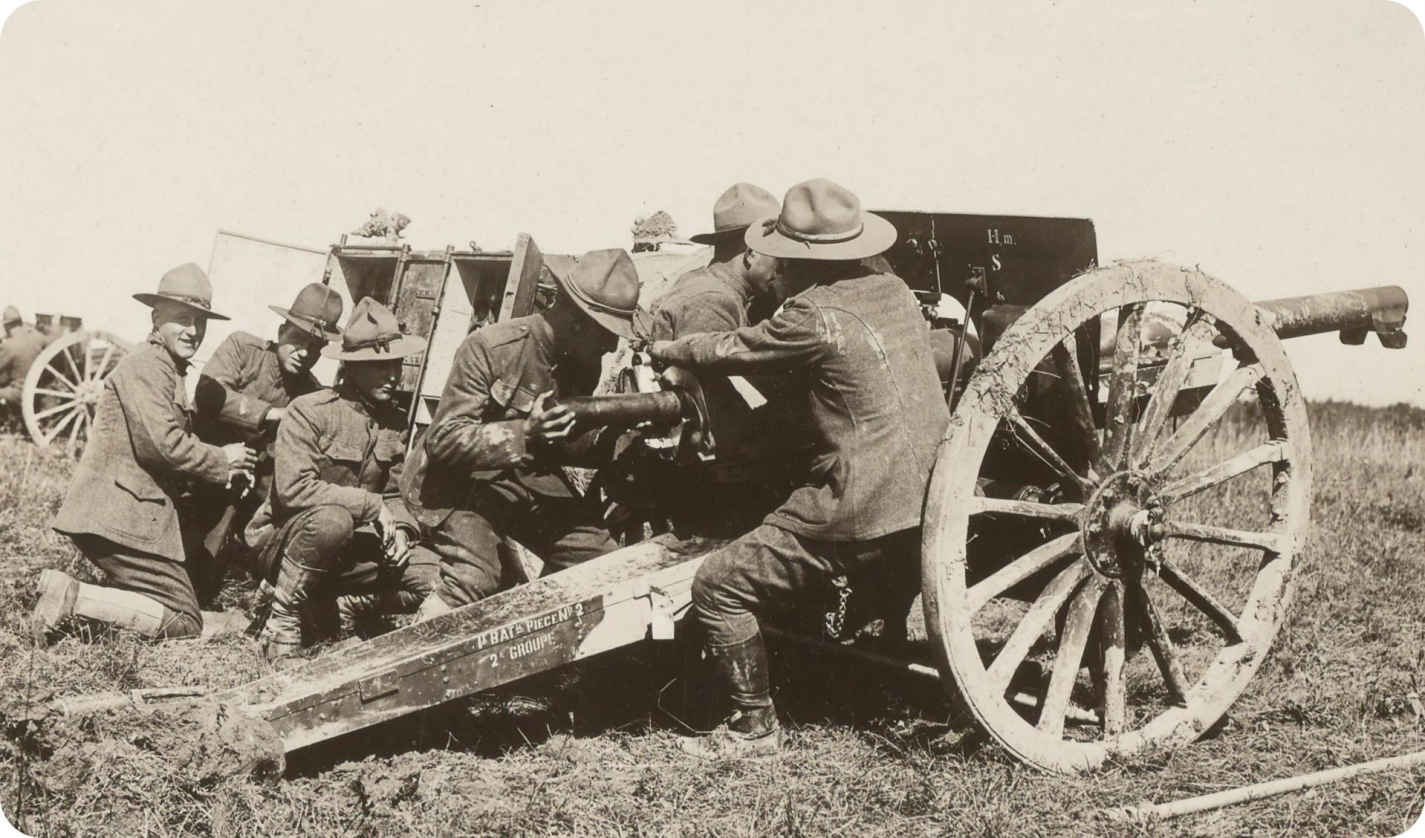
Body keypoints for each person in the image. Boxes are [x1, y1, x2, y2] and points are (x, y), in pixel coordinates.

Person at [648, 179, 951, 756]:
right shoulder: (894, 290)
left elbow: (728, 349)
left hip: (858, 505)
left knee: (719, 584)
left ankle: (753, 728)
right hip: (929, 492)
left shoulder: (812, 314)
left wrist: (668, 351)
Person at [401, 249, 641, 619]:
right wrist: (525, 432)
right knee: (474, 579)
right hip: (453, 486)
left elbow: (564, 442)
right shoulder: (490, 347)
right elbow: (444, 439)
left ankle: (539, 640)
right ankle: (410, 659)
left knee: (601, 561)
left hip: (524, 484)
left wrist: (614, 434)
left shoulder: (582, 361)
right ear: (579, 323)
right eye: (606, 334)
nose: (612, 346)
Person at [33, 264, 258, 642]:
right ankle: (73, 596)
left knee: (172, 604)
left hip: (126, 511)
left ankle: (97, 609)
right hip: (119, 515)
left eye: (200, 322)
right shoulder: (148, 365)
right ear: (157, 317)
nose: (193, 331)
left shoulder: (166, 367)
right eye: (182, 319)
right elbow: (163, 445)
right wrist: (225, 459)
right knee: (185, 620)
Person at [244, 297, 435, 660]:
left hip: (348, 553)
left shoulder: (393, 422)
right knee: (334, 519)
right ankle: (282, 617)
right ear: (353, 367)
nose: (392, 374)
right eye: (380, 366)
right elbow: (294, 489)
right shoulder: (310, 411)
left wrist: (403, 531)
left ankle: (341, 607)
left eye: (395, 364)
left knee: (432, 575)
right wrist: (370, 505)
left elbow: (395, 493)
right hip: (284, 546)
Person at [638, 182, 801, 536]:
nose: (783, 269)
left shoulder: (705, 283)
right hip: (710, 479)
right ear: (750, 252)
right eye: (778, 255)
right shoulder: (714, 302)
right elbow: (719, 411)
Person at [189, 283, 344, 596]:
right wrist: (271, 414)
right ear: (282, 329)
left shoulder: (312, 392)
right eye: (299, 340)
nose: (305, 353)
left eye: (316, 347)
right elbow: (207, 395)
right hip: (200, 471)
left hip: (255, 492)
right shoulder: (243, 350)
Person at [0, 306, 52, 418]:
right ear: (20, 321)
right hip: (39, 389)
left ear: (6, 325)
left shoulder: (8, 345)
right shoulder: (38, 337)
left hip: (20, 392)